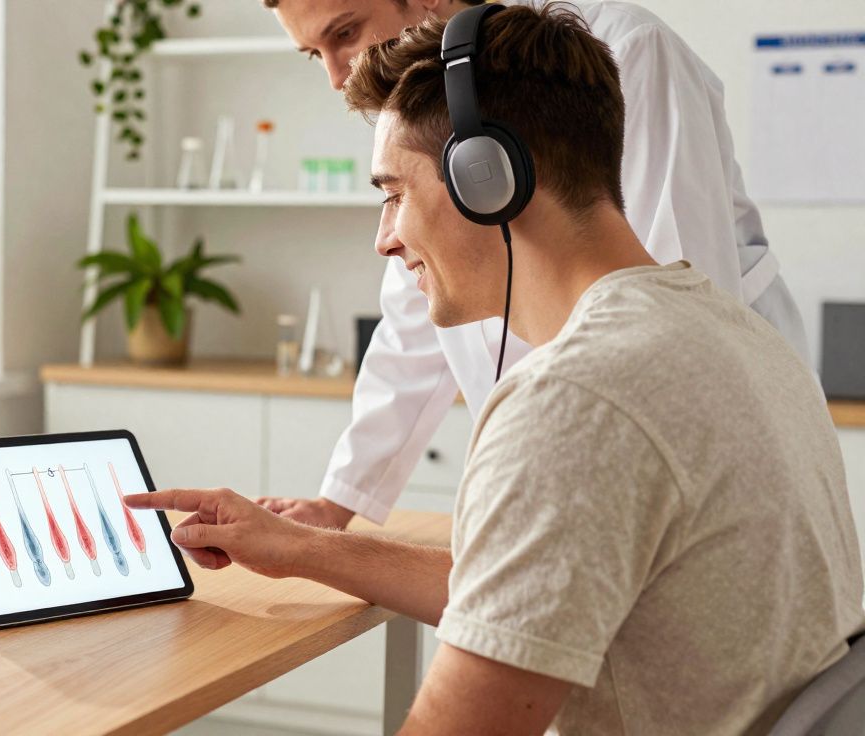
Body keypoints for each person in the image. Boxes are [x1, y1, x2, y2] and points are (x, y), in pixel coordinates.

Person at [127, 6, 864, 733]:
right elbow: (534, 592)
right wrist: (302, 545)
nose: (384, 240)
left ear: (489, 181)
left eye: (393, 196)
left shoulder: (578, 403)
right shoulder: (743, 340)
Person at [256, 0, 813, 530]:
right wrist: (337, 503)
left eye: (346, 32)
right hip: (565, 440)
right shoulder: (431, 112)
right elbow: (411, 324)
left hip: (685, 429)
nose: (334, 75)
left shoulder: (625, 50)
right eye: (314, 54)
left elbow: (679, 296)